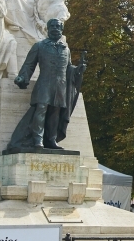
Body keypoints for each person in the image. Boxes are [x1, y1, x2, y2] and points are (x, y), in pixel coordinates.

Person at [8, 19, 86, 150]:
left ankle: (51, 139)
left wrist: (78, 70)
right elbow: (29, 64)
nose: (55, 28)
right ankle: (37, 139)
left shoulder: (66, 49)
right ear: (48, 29)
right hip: (44, 83)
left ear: (61, 30)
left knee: (55, 112)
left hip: (60, 86)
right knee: (41, 110)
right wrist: (22, 77)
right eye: (53, 26)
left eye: (58, 26)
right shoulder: (39, 46)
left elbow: (68, 68)